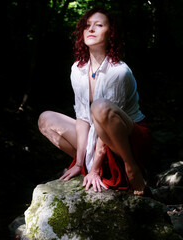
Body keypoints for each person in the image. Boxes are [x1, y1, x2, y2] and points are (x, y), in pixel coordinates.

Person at [38, 6, 151, 195]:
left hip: (127, 139)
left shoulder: (119, 72)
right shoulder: (78, 69)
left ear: (111, 33)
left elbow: (106, 123)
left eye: (98, 25)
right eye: (87, 25)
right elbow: (83, 118)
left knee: (100, 107)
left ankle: (131, 168)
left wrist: (95, 170)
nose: (90, 29)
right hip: (96, 133)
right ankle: (84, 164)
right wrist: (80, 163)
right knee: (46, 119)